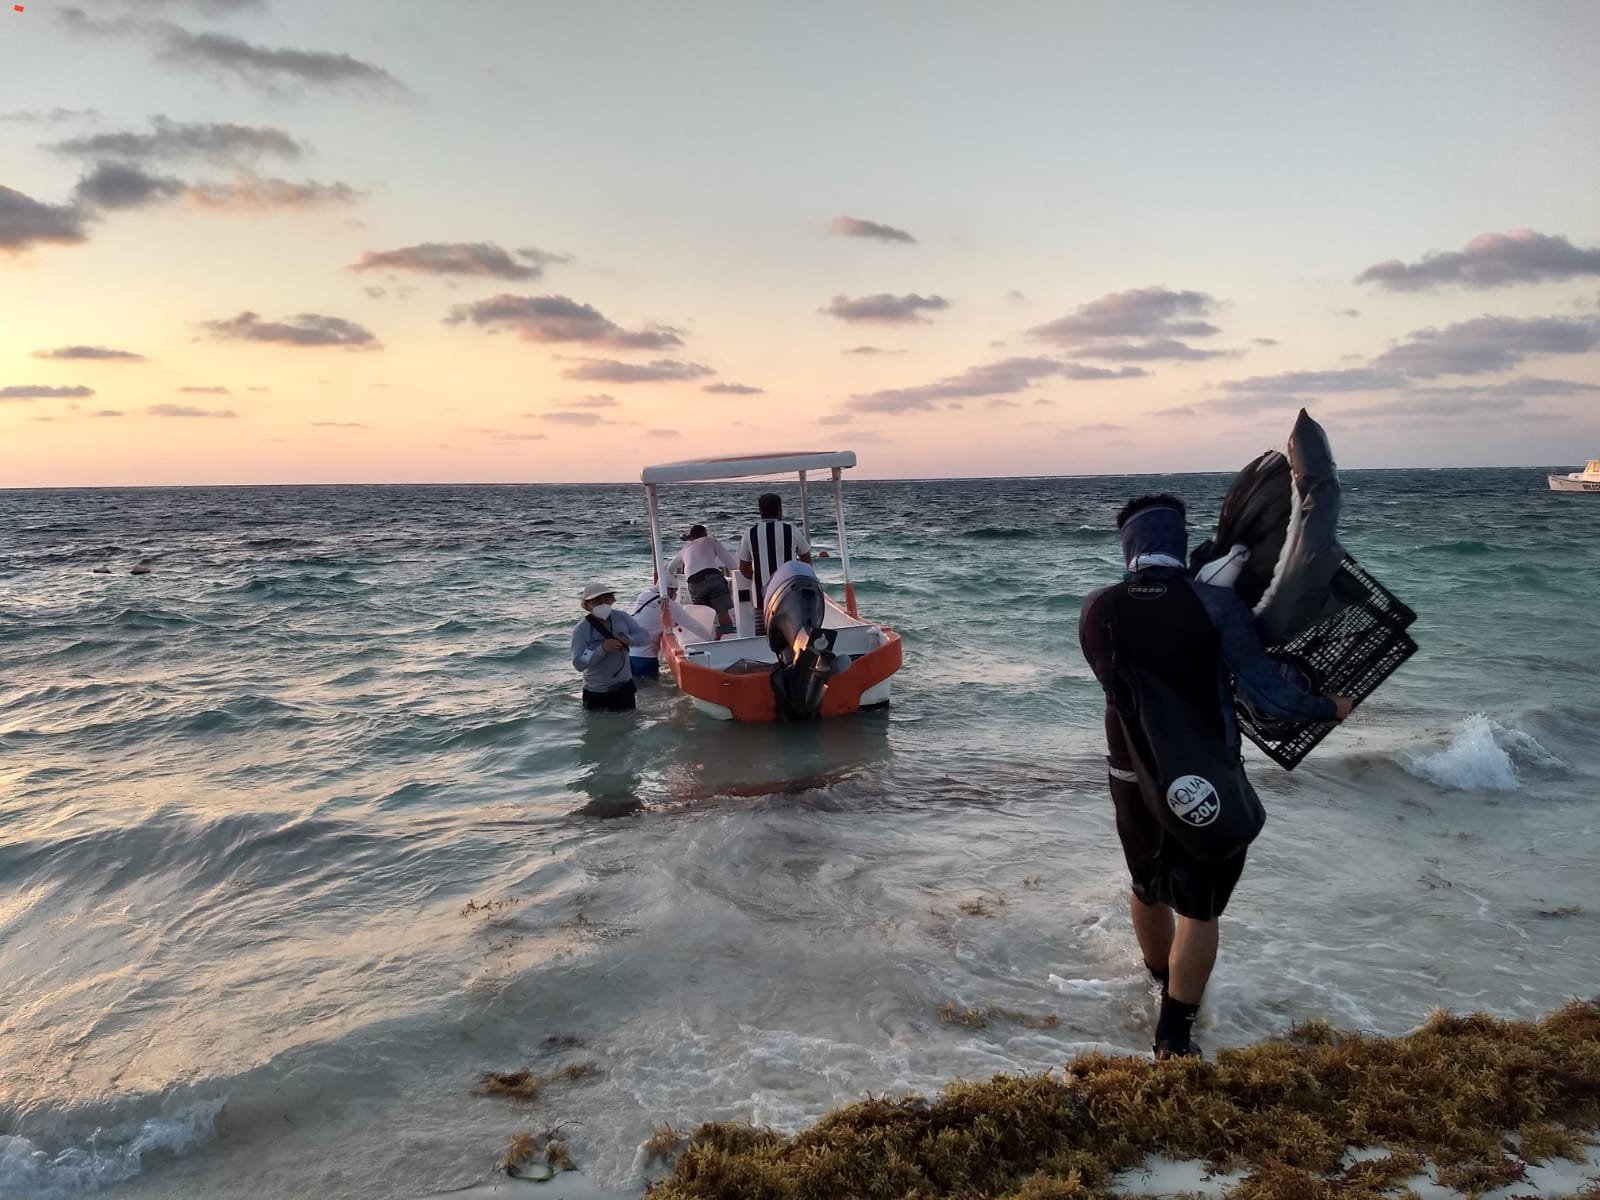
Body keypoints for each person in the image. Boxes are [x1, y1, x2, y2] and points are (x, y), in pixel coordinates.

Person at [1078, 494, 1354, 1059]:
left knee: (1146, 884)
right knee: (1199, 906)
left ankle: (1157, 980)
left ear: (1128, 545)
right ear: (1181, 542)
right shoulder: (1214, 605)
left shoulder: (1097, 609)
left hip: (1129, 774)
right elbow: (1268, 696)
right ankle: (1174, 1035)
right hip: (1204, 773)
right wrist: (1330, 707)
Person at [738, 493, 812, 633]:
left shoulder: (750, 533)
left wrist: (758, 577)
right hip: (791, 593)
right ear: (780, 510)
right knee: (792, 634)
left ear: (760, 511)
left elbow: (744, 568)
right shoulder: (791, 530)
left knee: (763, 635)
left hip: (762, 598)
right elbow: (806, 561)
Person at [571, 582, 648, 712]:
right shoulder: (581, 630)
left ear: (612, 600)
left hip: (625, 687)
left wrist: (629, 640)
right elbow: (579, 663)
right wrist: (601, 649)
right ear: (587, 605)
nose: (602, 604)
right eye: (596, 601)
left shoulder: (622, 617)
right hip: (598, 692)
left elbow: (644, 636)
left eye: (606, 599)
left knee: (630, 727)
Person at [665, 524, 737, 634]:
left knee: (703, 615)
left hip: (694, 583)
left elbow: (670, 568)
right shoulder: (710, 540)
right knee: (722, 612)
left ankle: (706, 639)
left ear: (692, 537)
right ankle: (727, 636)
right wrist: (739, 572)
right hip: (713, 578)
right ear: (705, 533)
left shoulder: (685, 549)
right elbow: (728, 561)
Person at [629, 586, 663, 678]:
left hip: (629, 656)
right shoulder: (666, 604)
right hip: (647, 659)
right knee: (651, 687)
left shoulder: (642, 596)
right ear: (671, 591)